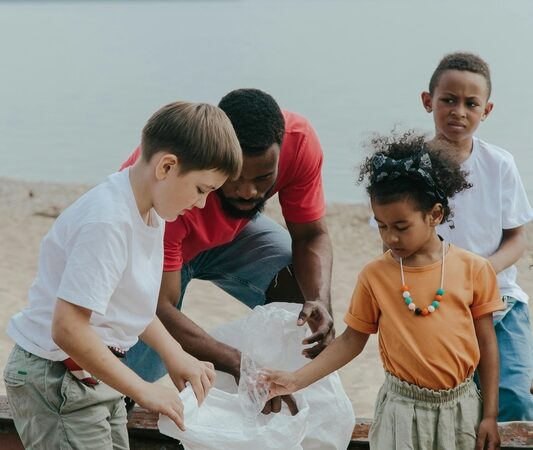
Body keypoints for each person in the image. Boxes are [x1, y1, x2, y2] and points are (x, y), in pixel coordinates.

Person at [3, 101, 243, 449]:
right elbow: (67, 327)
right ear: (166, 166)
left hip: (94, 371)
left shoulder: (151, 213)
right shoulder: (108, 221)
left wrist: (174, 353)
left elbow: (129, 304)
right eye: (201, 189)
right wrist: (143, 389)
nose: (202, 204)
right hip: (56, 375)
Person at [264, 133, 504, 450]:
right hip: (399, 411)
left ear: (435, 215)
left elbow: (487, 344)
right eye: (381, 225)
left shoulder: (474, 269)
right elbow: (351, 340)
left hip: (461, 408)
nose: (390, 237)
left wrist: (489, 415)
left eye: (401, 226)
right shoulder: (375, 275)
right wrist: (296, 379)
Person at [121, 88, 334, 414]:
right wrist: (236, 362)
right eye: (234, 177)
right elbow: (158, 308)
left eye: (264, 178)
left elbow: (311, 236)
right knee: (121, 382)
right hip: (159, 243)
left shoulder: (300, 141)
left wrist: (320, 299)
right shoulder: (171, 188)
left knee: (299, 287)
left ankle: (280, 394)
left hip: (226, 237)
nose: (249, 191)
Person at [421, 52, 533, 421]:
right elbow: (394, 238)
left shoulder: (499, 164)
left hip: (501, 301)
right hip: (437, 304)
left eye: (471, 103)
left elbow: (517, 237)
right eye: (448, 100)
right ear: (428, 101)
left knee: (514, 399)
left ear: (487, 110)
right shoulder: (411, 168)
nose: (459, 111)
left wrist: (481, 270)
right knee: (453, 406)